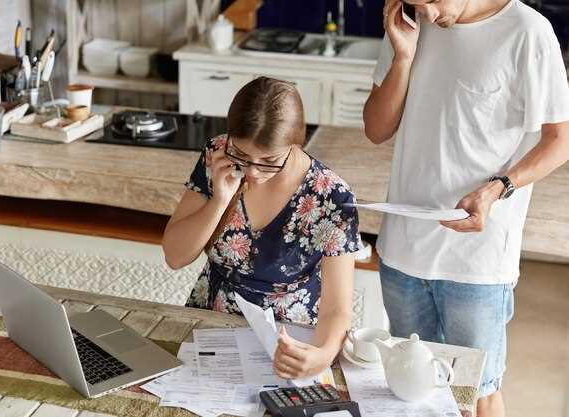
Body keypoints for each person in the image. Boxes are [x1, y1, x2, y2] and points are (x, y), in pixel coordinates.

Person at [363, 1, 569, 416]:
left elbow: (560, 138)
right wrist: (403, 56)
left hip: (476, 260)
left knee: (476, 393)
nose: (430, 15)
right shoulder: (411, 25)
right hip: (403, 250)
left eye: (432, 3)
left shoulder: (527, 31)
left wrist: (499, 188)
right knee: (414, 388)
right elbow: (377, 129)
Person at [163, 77, 361, 379]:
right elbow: (175, 256)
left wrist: (322, 355)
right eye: (242, 155)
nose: (252, 173)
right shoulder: (218, 154)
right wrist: (219, 200)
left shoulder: (332, 196)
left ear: (295, 144)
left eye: (269, 161)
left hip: (286, 340)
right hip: (211, 322)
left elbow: (338, 307)